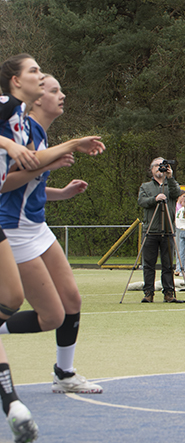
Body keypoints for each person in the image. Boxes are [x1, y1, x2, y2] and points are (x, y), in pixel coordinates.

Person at [0, 61, 106, 395]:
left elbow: (28, 187)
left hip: (36, 226)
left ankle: (65, 373)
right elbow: (7, 184)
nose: (62, 95)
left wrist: (60, 193)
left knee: (72, 299)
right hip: (14, 230)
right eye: (54, 89)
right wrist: (67, 148)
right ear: (36, 95)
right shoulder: (20, 128)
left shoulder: (40, 133)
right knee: (51, 316)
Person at [0, 94, 39, 442]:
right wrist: (8, 145)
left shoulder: (23, 119)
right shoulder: (6, 104)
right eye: (34, 71)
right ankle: (12, 404)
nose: (41, 77)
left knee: (12, 297)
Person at [137, 157, 183, 302]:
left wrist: (171, 177)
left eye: (162, 165)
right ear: (151, 169)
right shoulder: (145, 186)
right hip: (150, 230)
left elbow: (177, 194)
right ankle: (148, 293)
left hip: (168, 230)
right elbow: (141, 202)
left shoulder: (170, 185)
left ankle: (169, 293)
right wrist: (155, 199)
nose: (160, 168)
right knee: (148, 264)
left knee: (168, 264)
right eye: (157, 165)